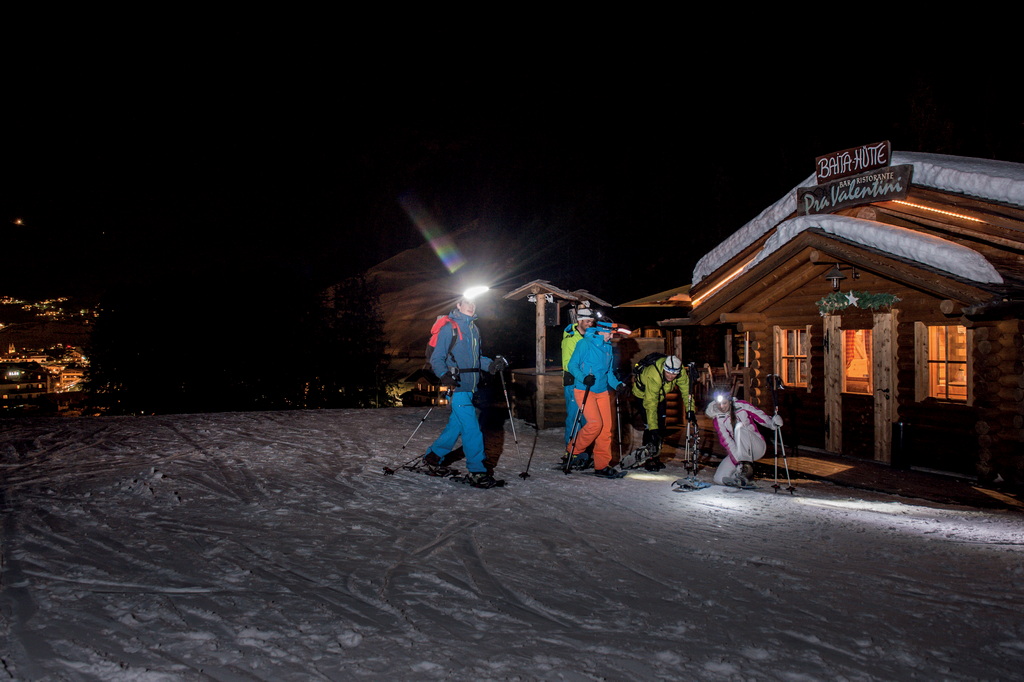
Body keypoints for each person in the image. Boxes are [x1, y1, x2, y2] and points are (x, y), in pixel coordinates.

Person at [423, 296, 507, 488]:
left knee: (457, 426)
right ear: (458, 305)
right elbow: (437, 358)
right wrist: (444, 375)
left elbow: (477, 358)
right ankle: (477, 471)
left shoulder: (473, 329)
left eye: (474, 303)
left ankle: (433, 457)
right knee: (472, 429)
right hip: (457, 387)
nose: (471, 306)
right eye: (466, 303)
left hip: (471, 387)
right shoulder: (449, 328)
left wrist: (491, 365)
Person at [566, 319, 627, 477]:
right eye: (609, 332)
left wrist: (618, 385)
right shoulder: (584, 344)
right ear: (600, 330)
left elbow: (609, 373)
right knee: (595, 424)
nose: (611, 335)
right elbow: (572, 365)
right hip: (584, 390)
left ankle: (601, 466)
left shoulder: (607, 348)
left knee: (606, 429)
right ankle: (573, 449)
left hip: (602, 392)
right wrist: (583, 377)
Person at [630, 355, 696, 469]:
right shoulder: (654, 374)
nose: (671, 376)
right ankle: (649, 459)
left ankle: (656, 457)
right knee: (650, 427)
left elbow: (686, 392)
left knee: (661, 427)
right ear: (664, 369)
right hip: (643, 395)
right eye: (668, 372)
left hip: (660, 395)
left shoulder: (680, 373)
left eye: (674, 373)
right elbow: (651, 405)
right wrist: (653, 429)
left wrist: (690, 410)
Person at [705, 392, 783, 487]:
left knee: (739, 427)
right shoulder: (718, 419)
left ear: (729, 401)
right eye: (719, 404)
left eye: (724, 403)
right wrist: (738, 463)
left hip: (756, 446)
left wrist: (773, 423)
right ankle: (739, 478)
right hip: (740, 452)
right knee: (719, 478)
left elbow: (759, 416)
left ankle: (747, 471)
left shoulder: (742, 406)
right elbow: (727, 442)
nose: (721, 407)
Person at [560, 307, 596, 461]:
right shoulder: (571, 338)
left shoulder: (589, 336)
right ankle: (571, 451)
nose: (590, 324)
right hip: (573, 381)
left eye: (592, 321)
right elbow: (568, 364)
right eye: (587, 321)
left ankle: (581, 450)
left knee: (587, 418)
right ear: (580, 320)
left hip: (585, 382)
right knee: (575, 417)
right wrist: (583, 376)